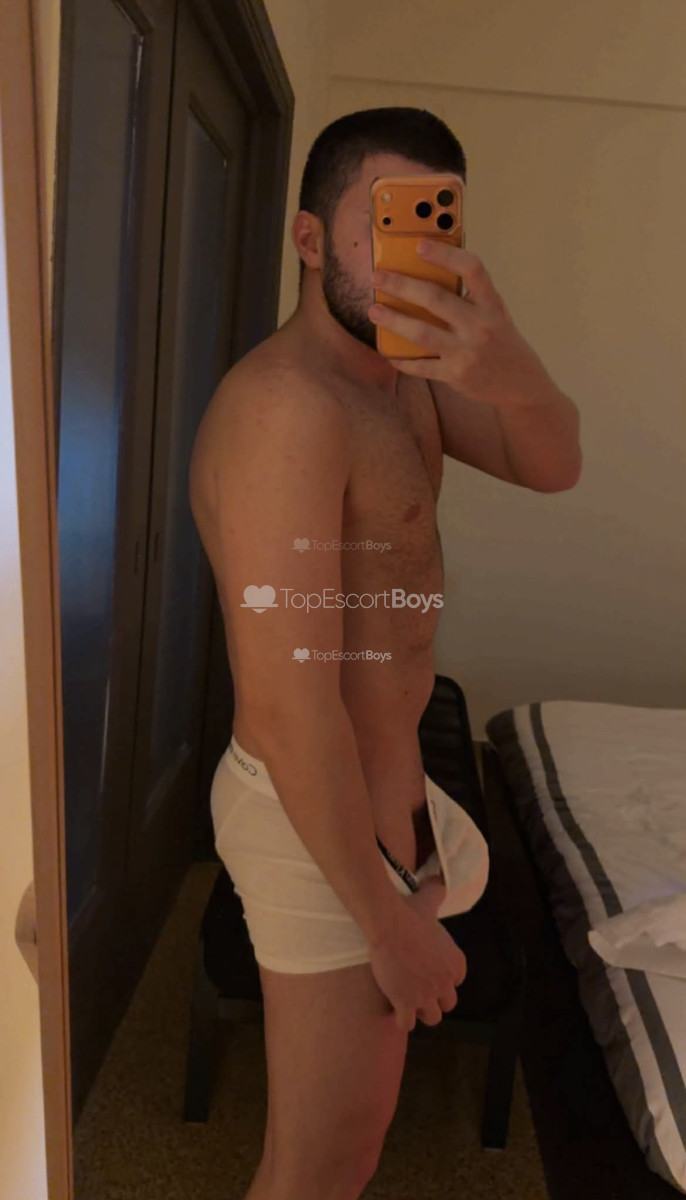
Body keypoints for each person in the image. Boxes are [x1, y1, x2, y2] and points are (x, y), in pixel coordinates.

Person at [189, 106, 581, 1200]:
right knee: (319, 1168)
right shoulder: (288, 411)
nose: (411, 261)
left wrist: (508, 362)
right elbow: (288, 707)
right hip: (317, 820)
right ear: (310, 239)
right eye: (383, 226)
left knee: (341, 1154)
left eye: (433, 227)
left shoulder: (406, 383)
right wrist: (383, 919)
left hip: (383, 804)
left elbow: (554, 462)